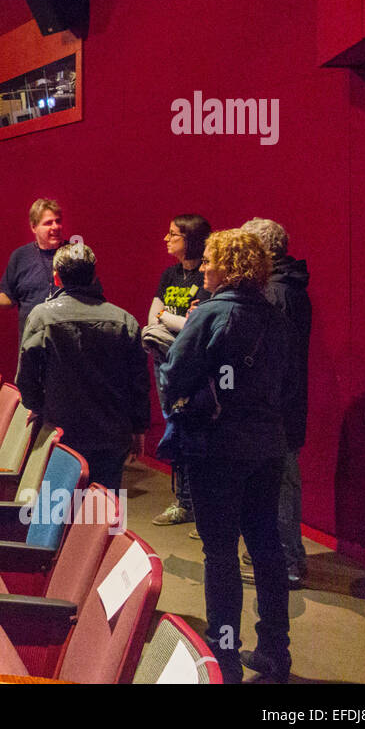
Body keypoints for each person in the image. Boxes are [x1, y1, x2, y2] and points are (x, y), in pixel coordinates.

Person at [158, 229, 294, 683]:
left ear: (227, 266)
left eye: (212, 262)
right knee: (266, 546)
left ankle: (226, 658)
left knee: (220, 555)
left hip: (216, 447)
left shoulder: (213, 314)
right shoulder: (276, 315)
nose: (206, 270)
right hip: (267, 445)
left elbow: (175, 375)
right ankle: (276, 650)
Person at [15, 243, 149, 491]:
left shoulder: (42, 316)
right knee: (101, 514)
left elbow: (27, 377)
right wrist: (138, 427)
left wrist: (38, 408)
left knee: (57, 514)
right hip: (112, 435)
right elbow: (138, 383)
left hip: (61, 431)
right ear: (93, 276)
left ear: (56, 277)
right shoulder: (125, 320)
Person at [242, 217, 312, 588]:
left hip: (275, 409)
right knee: (284, 480)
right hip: (286, 405)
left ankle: (285, 562)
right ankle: (286, 556)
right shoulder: (288, 288)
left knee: (281, 482)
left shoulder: (275, 293)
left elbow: (271, 358)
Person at [147, 214, 213, 529]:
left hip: (194, 366)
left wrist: (164, 317)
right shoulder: (169, 274)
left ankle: (196, 505)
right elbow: (152, 318)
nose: (166, 238)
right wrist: (167, 319)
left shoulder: (207, 276)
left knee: (192, 430)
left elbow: (194, 326)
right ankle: (184, 502)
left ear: (190, 239)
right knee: (174, 427)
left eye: (173, 234)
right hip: (165, 361)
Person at [0, 198, 66, 338]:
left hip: (67, 344)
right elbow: (9, 296)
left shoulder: (74, 254)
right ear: (33, 227)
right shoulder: (21, 256)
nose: (55, 227)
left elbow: (90, 296)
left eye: (58, 221)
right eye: (48, 223)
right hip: (31, 346)